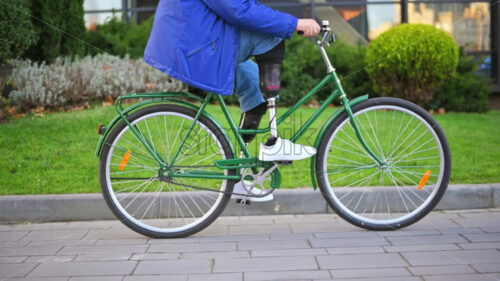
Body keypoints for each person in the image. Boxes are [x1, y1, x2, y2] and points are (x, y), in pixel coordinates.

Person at [145, 0, 321, 201]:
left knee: (256, 89)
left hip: (194, 37)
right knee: (273, 36)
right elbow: (238, 9)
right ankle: (274, 144)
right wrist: (294, 23)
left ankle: (238, 179)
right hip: (195, 44)